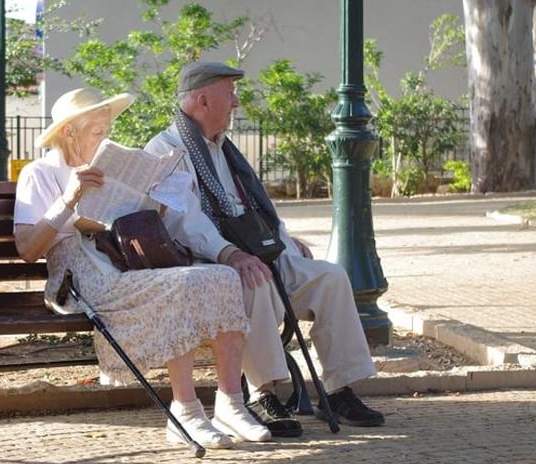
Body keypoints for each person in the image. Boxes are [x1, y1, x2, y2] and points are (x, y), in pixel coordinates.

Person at [14, 87, 272, 449]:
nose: (105, 138)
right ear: (69, 131)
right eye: (97, 132)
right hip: (80, 274)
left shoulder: (106, 167)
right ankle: (185, 410)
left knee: (222, 276)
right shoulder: (39, 173)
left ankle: (230, 403)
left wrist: (154, 203)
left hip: (123, 260)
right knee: (179, 285)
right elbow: (28, 248)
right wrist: (68, 198)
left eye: (107, 130)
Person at [144, 61, 385, 437]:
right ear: (202, 99)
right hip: (213, 261)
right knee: (253, 281)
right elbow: (183, 221)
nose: (237, 103)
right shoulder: (166, 149)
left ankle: (339, 389)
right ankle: (263, 392)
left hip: (257, 252)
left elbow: (253, 209)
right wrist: (230, 254)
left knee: (330, 277)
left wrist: (285, 243)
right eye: (230, 93)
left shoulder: (224, 148)